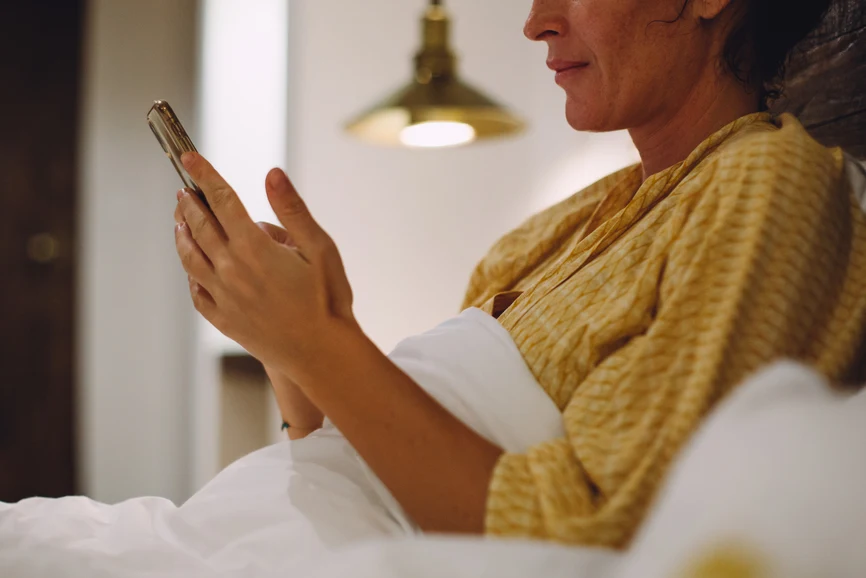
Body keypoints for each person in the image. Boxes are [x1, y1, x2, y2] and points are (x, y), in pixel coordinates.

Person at [172, 0, 865, 549]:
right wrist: (291, 349)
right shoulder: (541, 238)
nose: (537, 22)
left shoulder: (772, 182)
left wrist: (322, 342)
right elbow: (383, 488)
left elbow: (600, 535)